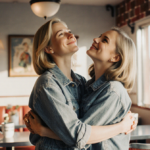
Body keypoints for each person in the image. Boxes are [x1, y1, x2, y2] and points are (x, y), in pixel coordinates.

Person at [24, 18, 136, 150]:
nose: (71, 35)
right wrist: (120, 127)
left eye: (69, 31)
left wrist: (43, 131)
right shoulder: (48, 84)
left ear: (116, 57)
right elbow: (77, 135)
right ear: (48, 48)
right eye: (61, 34)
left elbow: (78, 135)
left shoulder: (82, 83)